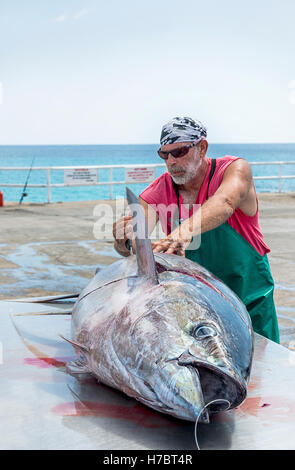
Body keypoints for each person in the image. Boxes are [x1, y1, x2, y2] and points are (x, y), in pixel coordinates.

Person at [113, 116, 280, 344]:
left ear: (202, 148)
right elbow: (133, 240)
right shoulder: (159, 190)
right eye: (165, 154)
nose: (171, 161)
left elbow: (225, 202)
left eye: (180, 151)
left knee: (263, 371)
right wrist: (124, 240)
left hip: (249, 299)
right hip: (197, 310)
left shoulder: (233, 170)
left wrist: (184, 231)